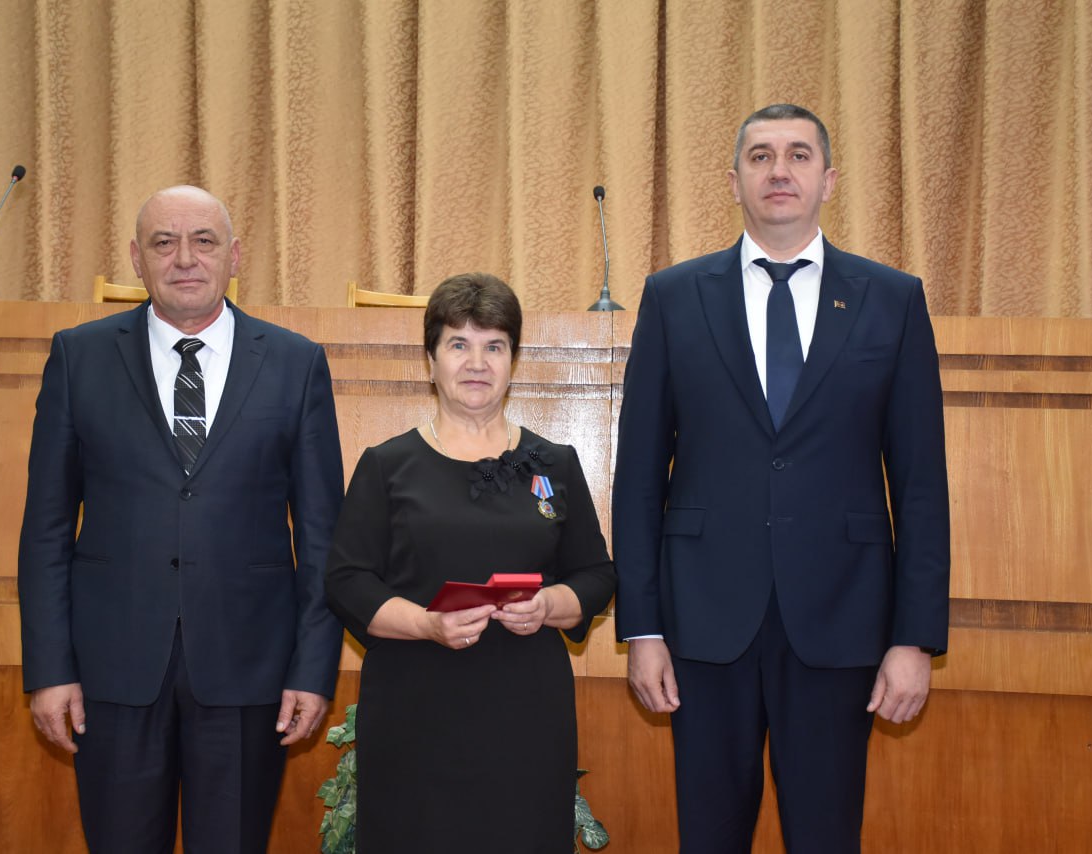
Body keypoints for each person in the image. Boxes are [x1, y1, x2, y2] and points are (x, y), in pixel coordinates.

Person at [612, 104, 950, 853]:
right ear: (734, 181)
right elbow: (638, 476)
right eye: (760, 156)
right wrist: (643, 627)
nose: (779, 170)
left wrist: (914, 639)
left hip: (842, 621)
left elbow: (921, 484)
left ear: (829, 180)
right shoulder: (674, 297)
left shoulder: (893, 299)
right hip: (703, 624)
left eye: (799, 155)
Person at [18, 185, 345, 852]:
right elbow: (46, 530)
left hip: (249, 669)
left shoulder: (295, 363)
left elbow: (321, 537)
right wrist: (50, 668)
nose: (185, 259)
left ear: (235, 256)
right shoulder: (79, 357)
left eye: (204, 241)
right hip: (112, 670)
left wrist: (312, 670)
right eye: (164, 243)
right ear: (136, 259)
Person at [325, 273, 616, 854]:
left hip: (526, 713)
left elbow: (597, 574)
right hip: (415, 708)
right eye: (458, 344)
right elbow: (346, 581)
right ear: (430, 360)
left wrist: (549, 605)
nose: (477, 363)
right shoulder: (387, 465)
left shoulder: (554, 463)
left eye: (494, 346)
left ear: (513, 361)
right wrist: (426, 623)